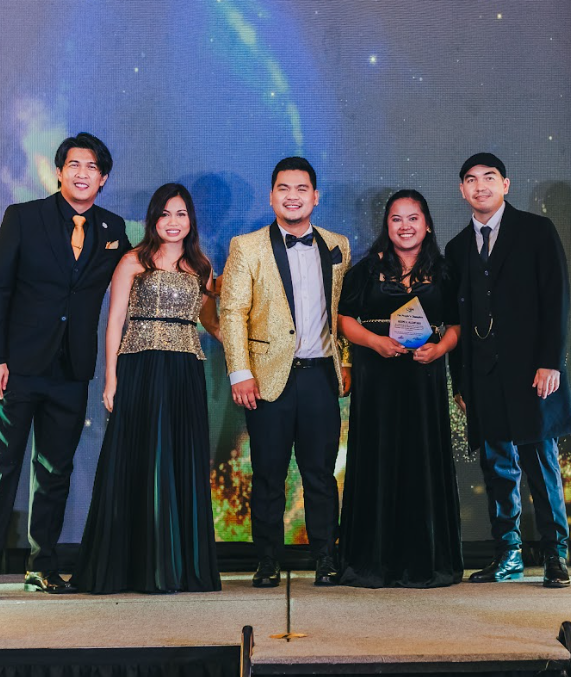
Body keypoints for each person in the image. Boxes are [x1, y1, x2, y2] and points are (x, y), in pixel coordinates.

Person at [0, 132, 131, 599]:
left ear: (103, 178)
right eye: (74, 165)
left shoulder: (113, 228)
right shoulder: (23, 217)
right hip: (17, 366)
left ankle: (41, 566)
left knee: (54, 470)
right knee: (1, 468)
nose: (82, 174)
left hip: (71, 370)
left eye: (92, 167)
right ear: (59, 172)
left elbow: (141, 271)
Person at [72, 183, 222, 594]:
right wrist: (111, 377)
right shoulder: (132, 261)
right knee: (140, 457)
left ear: (191, 220)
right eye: (165, 214)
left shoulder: (202, 267)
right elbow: (115, 322)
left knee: (180, 458)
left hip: (186, 371)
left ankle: (180, 566)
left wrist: (245, 349)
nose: (173, 222)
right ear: (153, 219)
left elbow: (210, 321)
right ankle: (136, 567)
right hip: (141, 366)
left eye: (181, 214)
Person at [445, 152, 571, 588]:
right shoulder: (457, 248)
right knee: (498, 468)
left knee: (541, 464)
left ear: (506, 184)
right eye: (471, 180)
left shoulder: (536, 231)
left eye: (489, 177)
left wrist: (550, 362)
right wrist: (461, 382)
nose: (480, 186)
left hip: (533, 373)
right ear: (462, 190)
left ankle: (556, 554)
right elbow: (456, 321)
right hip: (483, 377)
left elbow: (556, 298)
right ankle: (508, 555)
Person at [219, 156, 351, 588]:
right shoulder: (247, 246)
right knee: (268, 475)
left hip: (320, 377)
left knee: (321, 475)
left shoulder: (337, 245)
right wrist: (240, 372)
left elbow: (343, 310)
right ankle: (267, 560)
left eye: (301, 189)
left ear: (315, 196)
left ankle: (326, 558)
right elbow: (232, 311)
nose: (292, 196)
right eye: (284, 188)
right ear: (271, 195)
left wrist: (346, 361)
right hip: (266, 377)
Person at [336, 190, 463, 588]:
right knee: (377, 458)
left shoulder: (445, 271)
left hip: (424, 379)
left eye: (413, 218)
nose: (405, 226)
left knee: (421, 460)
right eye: (396, 219)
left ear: (427, 225)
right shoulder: (366, 269)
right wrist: (375, 342)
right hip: (377, 379)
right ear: (386, 225)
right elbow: (345, 319)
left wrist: (440, 348)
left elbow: (456, 325)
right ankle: (373, 563)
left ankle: (424, 563)